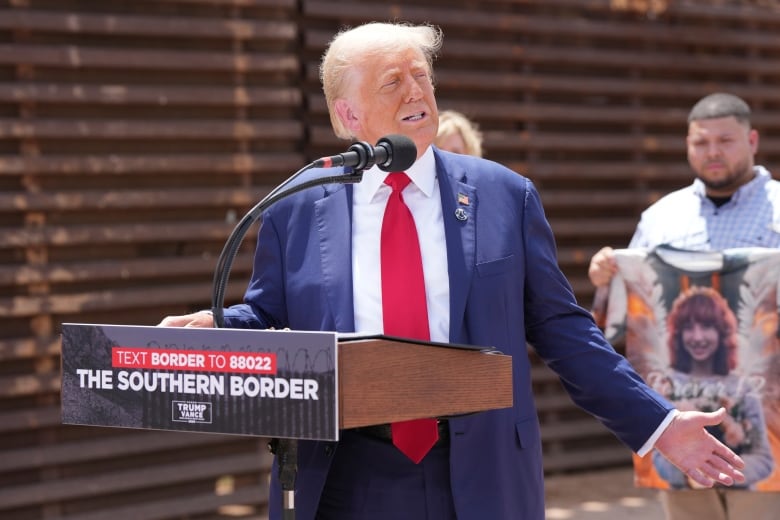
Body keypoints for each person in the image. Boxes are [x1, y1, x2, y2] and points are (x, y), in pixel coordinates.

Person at [160, 24, 746, 520]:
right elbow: (270, 314)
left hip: (479, 471)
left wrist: (659, 425)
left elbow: (564, 330)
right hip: (342, 475)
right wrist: (218, 322)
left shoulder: (503, 196)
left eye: (422, 76)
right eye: (393, 81)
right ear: (348, 114)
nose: (417, 90)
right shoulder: (295, 206)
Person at [589, 91, 780, 519]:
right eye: (701, 142)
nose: (713, 152)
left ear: (752, 140)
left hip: (770, 422)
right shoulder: (660, 217)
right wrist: (606, 277)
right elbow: (624, 320)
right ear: (687, 145)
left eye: (725, 141)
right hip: (676, 422)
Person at [649, 287, 773, 489]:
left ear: (722, 331)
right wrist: (692, 473)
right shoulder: (666, 385)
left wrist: (722, 474)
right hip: (685, 499)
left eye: (707, 326)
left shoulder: (742, 386)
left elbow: (763, 459)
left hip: (745, 502)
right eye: (689, 327)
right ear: (678, 334)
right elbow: (658, 456)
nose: (698, 337)